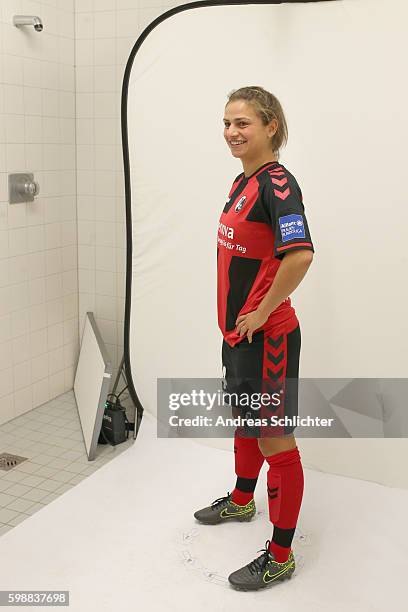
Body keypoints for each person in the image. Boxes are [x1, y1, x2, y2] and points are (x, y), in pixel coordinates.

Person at [193, 86, 315, 591]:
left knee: (274, 435)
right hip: (237, 334)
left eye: (242, 123)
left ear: (271, 127)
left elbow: (300, 255)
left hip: (268, 337)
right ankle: (244, 500)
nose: (231, 132)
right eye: (226, 123)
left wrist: (261, 312)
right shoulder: (242, 182)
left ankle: (282, 554)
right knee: (245, 419)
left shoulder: (278, 185)